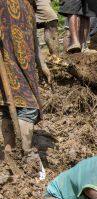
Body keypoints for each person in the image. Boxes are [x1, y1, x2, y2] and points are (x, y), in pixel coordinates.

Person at [1, 0, 49, 178]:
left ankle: (10, 154)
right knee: (27, 107)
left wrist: (41, 63)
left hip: (25, 64)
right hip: (8, 62)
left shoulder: (28, 5)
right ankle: (23, 154)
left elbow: (33, 37)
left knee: (11, 107)